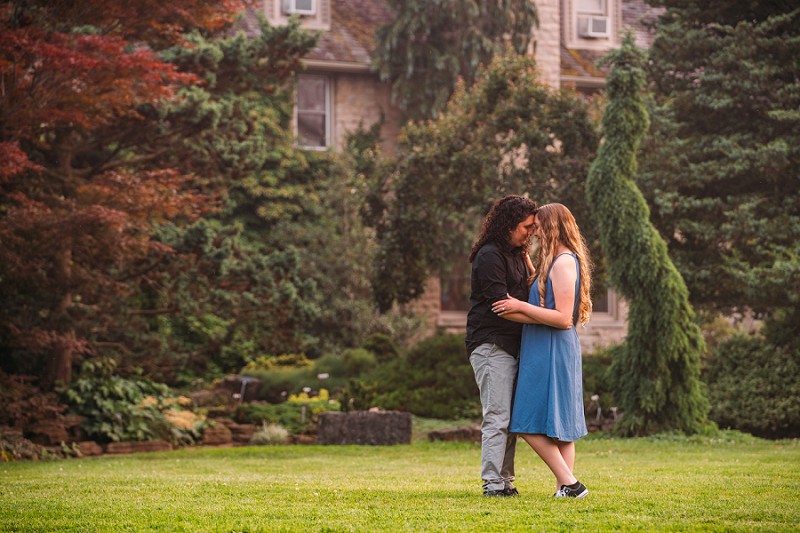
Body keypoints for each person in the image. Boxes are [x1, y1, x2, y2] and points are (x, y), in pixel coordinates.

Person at [492, 203, 592, 498]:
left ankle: (571, 483)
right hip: (543, 344)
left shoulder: (563, 262)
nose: (533, 231)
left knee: (525, 419)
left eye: (538, 226)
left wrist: (519, 306)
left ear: (552, 227)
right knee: (560, 424)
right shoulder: (556, 261)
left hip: (551, 347)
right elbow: (544, 297)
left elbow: (562, 318)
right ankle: (564, 488)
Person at [466, 195, 538, 497]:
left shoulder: (518, 253)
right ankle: (492, 484)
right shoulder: (490, 255)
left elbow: (530, 286)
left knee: (510, 418)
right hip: (490, 343)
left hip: (513, 343)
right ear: (509, 224)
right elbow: (502, 305)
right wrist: (547, 319)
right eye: (526, 226)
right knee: (497, 416)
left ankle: (505, 481)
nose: (531, 232)